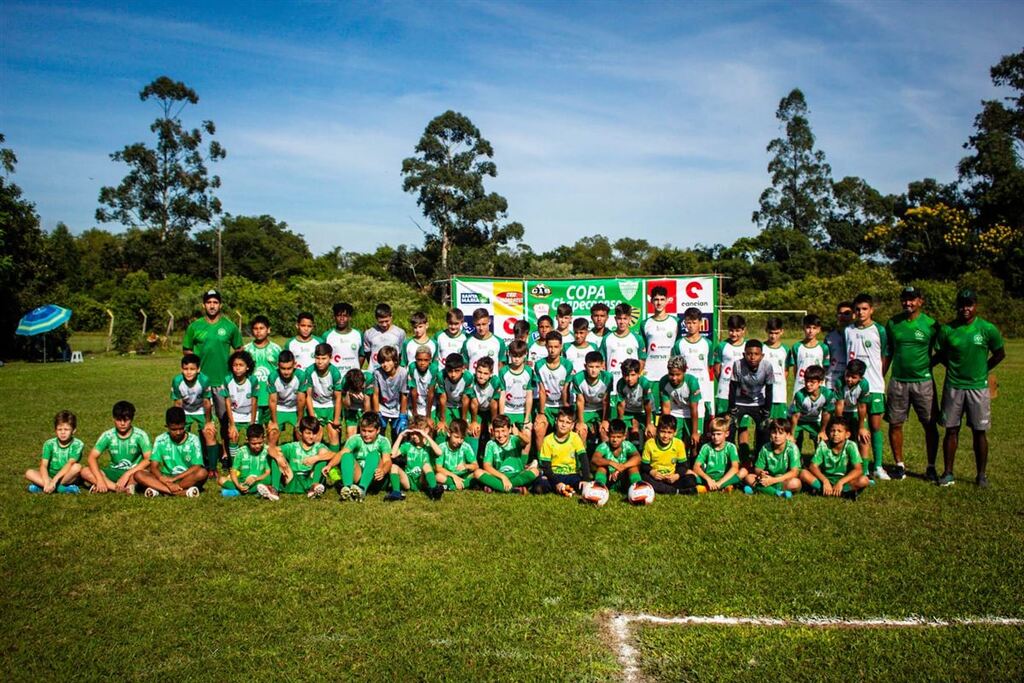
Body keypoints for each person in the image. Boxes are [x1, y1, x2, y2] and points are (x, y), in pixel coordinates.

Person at [933, 289, 1005, 488]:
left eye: (969, 304)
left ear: (976, 306)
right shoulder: (948, 329)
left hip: (978, 388)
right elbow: (940, 354)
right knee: (951, 430)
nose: (965, 308)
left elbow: (1000, 353)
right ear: (957, 306)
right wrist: (954, 369)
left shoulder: (987, 329)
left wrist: (983, 370)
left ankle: (981, 476)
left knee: (979, 431)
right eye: (962, 305)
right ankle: (948, 473)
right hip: (954, 386)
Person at [182, 288, 242, 471]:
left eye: (215, 302)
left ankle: (225, 454)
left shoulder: (230, 326)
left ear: (220, 305)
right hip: (201, 383)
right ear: (203, 305)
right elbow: (187, 349)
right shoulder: (195, 327)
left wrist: (233, 370)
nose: (212, 305)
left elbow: (239, 350)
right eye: (209, 302)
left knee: (224, 420)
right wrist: (194, 370)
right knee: (203, 421)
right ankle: (204, 455)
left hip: (223, 382)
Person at [884, 286, 940, 481]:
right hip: (898, 381)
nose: (908, 303)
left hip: (923, 382)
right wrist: (881, 376)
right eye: (905, 299)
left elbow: (941, 351)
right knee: (895, 423)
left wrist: (926, 365)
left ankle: (931, 467)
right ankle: (899, 465)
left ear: (920, 301)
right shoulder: (893, 323)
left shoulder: (932, 325)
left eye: (912, 299)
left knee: (929, 424)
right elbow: (888, 352)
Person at [134, 407, 208, 497]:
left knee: (202, 472)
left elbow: (197, 466)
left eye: (181, 428)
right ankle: (178, 492)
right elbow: (153, 466)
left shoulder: (193, 440)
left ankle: (161, 490)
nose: (178, 432)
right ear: (167, 426)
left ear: (185, 425)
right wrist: (163, 479)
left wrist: (175, 479)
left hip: (186, 477)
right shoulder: (160, 439)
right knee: (138, 474)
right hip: (165, 478)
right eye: (174, 429)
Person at [82, 400, 152, 494]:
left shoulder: (140, 435)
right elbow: (92, 457)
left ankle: (114, 486)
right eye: (119, 420)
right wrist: (99, 479)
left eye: (126, 420)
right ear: (113, 419)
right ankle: (117, 488)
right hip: (114, 471)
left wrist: (127, 474)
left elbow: (148, 459)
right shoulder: (108, 435)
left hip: (133, 473)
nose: (122, 423)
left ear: (131, 419)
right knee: (85, 471)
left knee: (143, 474)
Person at [326, 411, 392, 501]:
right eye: (363, 430)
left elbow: (387, 461)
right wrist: (330, 465)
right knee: (346, 455)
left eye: (370, 431)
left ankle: (362, 489)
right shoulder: (355, 439)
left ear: (378, 430)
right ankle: (348, 489)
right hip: (359, 475)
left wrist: (383, 471)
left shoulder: (383, 441)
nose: (366, 434)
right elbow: (341, 453)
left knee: (374, 454)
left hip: (376, 478)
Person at [800, 416, 870, 499]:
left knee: (864, 480)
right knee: (803, 473)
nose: (835, 434)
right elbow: (812, 466)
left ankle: (838, 491)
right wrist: (825, 481)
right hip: (825, 479)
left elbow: (858, 469)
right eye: (833, 430)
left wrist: (841, 482)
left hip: (845, 480)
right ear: (828, 432)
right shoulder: (823, 445)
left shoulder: (851, 446)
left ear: (847, 434)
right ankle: (836, 492)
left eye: (839, 431)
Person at [728, 340, 774, 464]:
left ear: (762, 355)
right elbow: (732, 387)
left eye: (756, 354)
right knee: (730, 429)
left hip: (758, 402)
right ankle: (732, 461)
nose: (752, 357)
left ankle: (760, 461)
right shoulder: (737, 364)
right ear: (744, 354)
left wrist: (767, 409)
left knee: (764, 431)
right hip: (740, 402)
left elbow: (769, 389)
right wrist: (731, 406)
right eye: (749, 354)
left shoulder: (767, 366)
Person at [170, 353, 219, 467]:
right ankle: (182, 463)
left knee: (209, 433)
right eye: (185, 369)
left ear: (198, 369)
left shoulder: (204, 380)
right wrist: (178, 421)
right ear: (181, 369)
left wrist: (208, 422)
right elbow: (178, 403)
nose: (189, 372)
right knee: (180, 435)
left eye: (192, 369)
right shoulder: (177, 381)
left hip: (201, 409)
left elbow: (207, 402)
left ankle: (211, 467)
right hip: (185, 410)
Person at [269, 416, 332, 497]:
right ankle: (274, 489)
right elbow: (270, 449)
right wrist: (278, 458)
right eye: (308, 433)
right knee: (276, 456)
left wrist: (316, 458)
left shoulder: (318, 446)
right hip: (292, 478)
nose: (311, 436)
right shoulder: (293, 446)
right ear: (301, 432)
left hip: (310, 478)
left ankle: (314, 486)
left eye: (314, 433)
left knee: (323, 456)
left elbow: (333, 454)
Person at [533, 331, 574, 454]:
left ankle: (567, 460)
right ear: (546, 346)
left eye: (556, 347)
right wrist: (541, 412)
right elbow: (541, 390)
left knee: (567, 429)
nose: (552, 350)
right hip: (547, 407)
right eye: (550, 346)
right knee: (539, 428)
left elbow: (566, 389)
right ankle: (542, 463)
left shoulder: (567, 365)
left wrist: (566, 410)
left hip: (562, 405)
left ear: (561, 347)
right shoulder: (539, 365)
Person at [25, 410, 84, 494]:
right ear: (55, 430)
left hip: (66, 477)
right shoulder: (49, 444)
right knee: (29, 473)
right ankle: (60, 489)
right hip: (49, 476)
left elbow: (70, 464)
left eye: (66, 429)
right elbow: (43, 465)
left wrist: (55, 480)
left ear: (73, 430)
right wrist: (46, 481)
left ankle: (45, 487)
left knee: (77, 467)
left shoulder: (78, 444)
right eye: (60, 429)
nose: (63, 432)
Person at [672, 307, 714, 422]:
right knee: (685, 419)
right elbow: (675, 368)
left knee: (704, 422)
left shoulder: (708, 343)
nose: (691, 326)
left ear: (700, 323)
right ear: (685, 323)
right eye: (688, 322)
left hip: (703, 387)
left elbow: (709, 366)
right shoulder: (679, 344)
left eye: (694, 322)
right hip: (685, 388)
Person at [386, 419, 444, 501]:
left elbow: (439, 452)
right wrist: (400, 436)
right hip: (408, 480)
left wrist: (426, 436)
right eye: (412, 433)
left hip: (423, 480)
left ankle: (434, 490)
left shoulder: (429, 445)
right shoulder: (408, 445)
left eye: (417, 433)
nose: (414, 436)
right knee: (394, 466)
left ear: (426, 431)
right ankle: (396, 493)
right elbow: (393, 455)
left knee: (426, 465)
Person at [477, 415, 537, 493]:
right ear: (493, 431)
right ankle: (515, 489)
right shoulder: (491, 444)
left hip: (517, 475)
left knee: (535, 471)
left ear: (509, 430)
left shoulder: (514, 439)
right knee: (477, 472)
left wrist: (518, 433)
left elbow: (527, 441)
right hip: (499, 476)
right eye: (497, 431)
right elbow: (486, 466)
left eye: (503, 431)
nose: (500, 435)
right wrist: (503, 477)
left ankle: (497, 487)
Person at [640, 414, 698, 495]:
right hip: (656, 478)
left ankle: (665, 489)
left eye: (669, 432)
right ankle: (676, 491)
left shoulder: (679, 443)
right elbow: (644, 465)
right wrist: (652, 472)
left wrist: (677, 475)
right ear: (657, 431)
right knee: (643, 478)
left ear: (675, 432)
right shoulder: (650, 443)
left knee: (691, 479)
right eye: (662, 431)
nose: (665, 436)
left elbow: (684, 465)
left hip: (671, 478)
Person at [743, 419, 803, 497]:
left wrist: (773, 480)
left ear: (788, 435)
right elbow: (757, 468)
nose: (777, 436)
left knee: (796, 483)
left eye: (781, 433)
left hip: (783, 479)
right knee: (748, 477)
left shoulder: (792, 448)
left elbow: (794, 472)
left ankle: (758, 489)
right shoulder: (765, 448)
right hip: (767, 478)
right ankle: (778, 493)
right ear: (770, 433)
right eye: (774, 432)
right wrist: (761, 473)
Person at [219, 424, 279, 501]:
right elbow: (233, 471)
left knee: (270, 479)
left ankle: (237, 492)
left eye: (260, 443)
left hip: (260, 480)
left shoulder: (267, 451)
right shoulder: (241, 452)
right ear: (247, 440)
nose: (257, 446)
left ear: (264, 438)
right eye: (254, 444)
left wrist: (255, 479)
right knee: (221, 480)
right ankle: (250, 491)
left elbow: (267, 472)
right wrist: (238, 485)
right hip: (244, 482)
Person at [539, 408, 589, 497]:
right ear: (556, 421)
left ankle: (565, 489)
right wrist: (557, 482)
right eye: (561, 421)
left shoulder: (575, 438)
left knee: (584, 487)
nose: (563, 425)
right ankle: (561, 488)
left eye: (567, 422)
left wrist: (585, 479)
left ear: (572, 425)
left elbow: (584, 459)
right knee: (540, 487)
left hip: (571, 475)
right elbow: (546, 467)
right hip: (554, 474)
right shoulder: (548, 440)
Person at [304, 343, 344, 452]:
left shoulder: (335, 372)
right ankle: (317, 462)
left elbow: (338, 397)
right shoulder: (309, 371)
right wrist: (312, 415)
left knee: (333, 434)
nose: (320, 361)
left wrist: (336, 419)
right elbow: (308, 395)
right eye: (317, 358)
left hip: (331, 405)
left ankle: (334, 464)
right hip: (316, 405)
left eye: (324, 358)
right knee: (316, 435)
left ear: (330, 358)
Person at [243, 315, 282, 426]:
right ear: (252, 331)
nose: (258, 331)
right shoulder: (246, 349)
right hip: (253, 396)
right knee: (255, 430)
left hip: (271, 396)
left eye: (262, 328)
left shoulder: (276, 349)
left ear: (268, 330)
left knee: (272, 428)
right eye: (256, 329)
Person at [659, 354, 702, 453]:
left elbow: (694, 409)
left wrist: (694, 432)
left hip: (693, 411)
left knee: (694, 442)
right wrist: (667, 428)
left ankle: (693, 463)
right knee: (673, 442)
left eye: (678, 374)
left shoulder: (692, 382)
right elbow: (666, 408)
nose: (674, 378)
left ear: (684, 372)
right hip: (675, 411)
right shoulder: (664, 381)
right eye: (671, 374)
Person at [788, 365, 835, 455]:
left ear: (820, 382)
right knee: (790, 443)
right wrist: (791, 434)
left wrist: (822, 431)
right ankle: (796, 462)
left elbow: (826, 413)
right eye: (806, 381)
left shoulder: (827, 394)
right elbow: (795, 415)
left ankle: (819, 464)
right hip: (799, 421)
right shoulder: (800, 395)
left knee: (822, 442)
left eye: (812, 382)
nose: (808, 384)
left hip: (814, 420)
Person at [692, 416, 746, 493]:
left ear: (726, 434)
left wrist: (719, 483)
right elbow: (696, 467)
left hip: (725, 478)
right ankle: (724, 487)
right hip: (709, 478)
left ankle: (712, 487)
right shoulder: (706, 447)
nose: (715, 437)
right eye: (713, 434)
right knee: (690, 473)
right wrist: (708, 480)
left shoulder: (731, 447)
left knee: (743, 472)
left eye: (719, 434)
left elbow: (735, 468)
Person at [221, 350, 258, 461]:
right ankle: (235, 464)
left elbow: (254, 402)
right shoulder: (227, 380)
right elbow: (227, 402)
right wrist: (231, 424)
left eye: (241, 365)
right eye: (235, 365)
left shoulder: (253, 380)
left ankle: (252, 461)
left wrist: (252, 423)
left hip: (250, 414)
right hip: (235, 414)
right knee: (233, 436)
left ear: (247, 367)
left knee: (254, 438)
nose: (237, 368)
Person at [571, 351, 613, 447]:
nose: (593, 370)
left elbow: (606, 401)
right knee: (581, 432)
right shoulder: (578, 378)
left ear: (602, 366)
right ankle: (582, 460)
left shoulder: (608, 377)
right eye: (591, 367)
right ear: (585, 366)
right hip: (586, 408)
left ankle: (605, 459)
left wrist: (605, 420)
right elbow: (580, 401)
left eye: (597, 367)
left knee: (605, 431)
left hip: (601, 409)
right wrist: (581, 422)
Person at [599, 302, 646, 387]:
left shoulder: (637, 338)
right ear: (615, 319)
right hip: (611, 384)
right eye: (619, 318)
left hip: (631, 386)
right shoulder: (607, 338)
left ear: (630, 319)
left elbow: (642, 361)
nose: (622, 322)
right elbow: (602, 362)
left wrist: (634, 378)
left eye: (625, 318)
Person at [834, 359, 872, 461]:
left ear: (861, 378)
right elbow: (839, 405)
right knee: (840, 437)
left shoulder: (864, 384)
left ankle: (864, 470)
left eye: (853, 377)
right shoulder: (839, 381)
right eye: (848, 375)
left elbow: (862, 407)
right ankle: (842, 464)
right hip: (843, 412)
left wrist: (861, 427)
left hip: (856, 411)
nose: (849, 379)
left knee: (864, 438)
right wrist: (839, 424)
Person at [590, 418, 642, 493]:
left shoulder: (627, 445)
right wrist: (611, 463)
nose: (615, 440)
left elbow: (638, 458)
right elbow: (594, 459)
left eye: (618, 437)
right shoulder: (604, 446)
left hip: (624, 480)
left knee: (633, 467)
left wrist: (622, 467)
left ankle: (638, 489)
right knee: (602, 467)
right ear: (608, 435)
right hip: (608, 480)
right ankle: (599, 489)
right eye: (612, 436)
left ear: (624, 436)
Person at [266, 349, 305, 447]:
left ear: (295, 365)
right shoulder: (273, 377)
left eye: (289, 368)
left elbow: (301, 400)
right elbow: (272, 400)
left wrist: (300, 420)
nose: (286, 372)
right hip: (279, 408)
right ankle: (273, 460)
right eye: (283, 368)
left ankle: (298, 459)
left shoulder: (301, 375)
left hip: (295, 408)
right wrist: (274, 422)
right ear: (278, 365)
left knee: (301, 433)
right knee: (272, 434)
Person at [712, 315, 747, 421]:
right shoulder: (722, 346)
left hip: (743, 392)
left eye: (737, 330)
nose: (734, 334)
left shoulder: (748, 346)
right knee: (723, 422)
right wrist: (724, 381)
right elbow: (717, 369)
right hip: (724, 391)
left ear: (743, 330)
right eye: (731, 330)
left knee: (743, 426)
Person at [497, 340, 535, 435]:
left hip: (522, 411)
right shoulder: (503, 371)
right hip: (507, 411)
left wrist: (527, 418)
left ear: (525, 354)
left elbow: (529, 396)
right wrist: (502, 417)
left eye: (519, 356)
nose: (516, 359)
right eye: (514, 356)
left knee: (527, 435)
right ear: (509, 354)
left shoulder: (529, 371)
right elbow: (502, 395)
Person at [787, 314, 829, 401]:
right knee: (799, 410)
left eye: (814, 328)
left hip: (818, 385)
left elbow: (825, 367)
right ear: (803, 328)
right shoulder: (797, 347)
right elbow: (796, 367)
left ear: (819, 330)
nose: (811, 331)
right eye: (808, 327)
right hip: (801, 383)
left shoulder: (823, 347)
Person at [641, 285, 678, 384]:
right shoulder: (645, 323)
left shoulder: (676, 322)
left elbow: (678, 347)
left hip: (670, 372)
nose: (659, 302)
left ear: (667, 301)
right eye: (656, 299)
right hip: (650, 373)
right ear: (652, 301)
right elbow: (643, 349)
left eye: (662, 299)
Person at [614, 358, 655, 447]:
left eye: (633, 375)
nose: (629, 379)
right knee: (620, 434)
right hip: (628, 411)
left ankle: (646, 456)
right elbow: (621, 405)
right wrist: (620, 424)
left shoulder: (644, 383)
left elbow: (647, 404)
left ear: (639, 374)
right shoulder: (620, 384)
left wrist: (649, 424)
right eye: (626, 375)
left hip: (643, 411)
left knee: (650, 433)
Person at [465, 355, 500, 455]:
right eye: (479, 372)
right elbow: (473, 402)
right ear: (475, 370)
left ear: (491, 374)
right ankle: (473, 460)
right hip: (475, 410)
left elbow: (494, 405)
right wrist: (474, 421)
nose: (481, 376)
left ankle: (492, 461)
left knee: (493, 433)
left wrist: (493, 423)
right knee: (474, 431)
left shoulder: (495, 382)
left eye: (485, 373)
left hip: (490, 410)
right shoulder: (471, 380)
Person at [431, 418, 478, 491]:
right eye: (456, 437)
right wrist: (454, 477)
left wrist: (466, 466)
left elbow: (475, 466)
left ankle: (451, 487)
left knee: (477, 474)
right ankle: (465, 485)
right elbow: (438, 468)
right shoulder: (442, 447)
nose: (459, 441)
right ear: (449, 433)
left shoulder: (466, 447)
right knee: (438, 476)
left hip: (463, 476)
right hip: (449, 475)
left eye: (462, 438)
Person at [372, 345, 409, 437]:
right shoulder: (377, 373)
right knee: (379, 435)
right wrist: (377, 413)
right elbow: (375, 394)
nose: (385, 364)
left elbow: (404, 395)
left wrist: (402, 415)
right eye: (382, 362)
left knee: (397, 434)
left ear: (395, 361)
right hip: (382, 408)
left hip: (397, 407)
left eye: (388, 361)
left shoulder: (403, 373)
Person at [364, 303, 406, 373]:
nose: (384, 324)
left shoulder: (400, 332)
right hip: (375, 371)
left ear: (391, 317)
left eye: (387, 321)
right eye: (381, 322)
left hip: (393, 373)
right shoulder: (368, 333)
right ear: (376, 319)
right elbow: (368, 353)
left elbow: (401, 354)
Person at [461, 308, 506, 373]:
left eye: (484, 324)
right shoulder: (467, 343)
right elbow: (465, 366)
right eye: (478, 325)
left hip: (493, 382)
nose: (481, 328)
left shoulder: (499, 342)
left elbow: (501, 366)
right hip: (474, 382)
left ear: (489, 321)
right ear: (474, 323)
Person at [324, 302, 363, 374]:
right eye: (339, 315)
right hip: (335, 378)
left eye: (345, 316)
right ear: (334, 317)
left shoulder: (358, 334)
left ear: (350, 317)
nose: (342, 318)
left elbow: (361, 355)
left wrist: (356, 370)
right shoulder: (327, 335)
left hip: (353, 378)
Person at [435, 353, 469, 434]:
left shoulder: (468, 377)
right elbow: (443, 398)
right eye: (450, 371)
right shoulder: (441, 376)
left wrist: (464, 420)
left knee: (467, 432)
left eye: (457, 371)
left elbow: (465, 399)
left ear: (463, 368)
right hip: (447, 405)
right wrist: (442, 420)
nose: (453, 375)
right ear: (446, 368)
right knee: (441, 431)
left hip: (461, 405)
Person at [763, 317, 789, 421]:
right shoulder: (761, 348)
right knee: (763, 424)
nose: (773, 336)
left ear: (782, 331)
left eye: (776, 333)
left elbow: (786, 371)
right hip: (763, 393)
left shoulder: (785, 349)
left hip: (780, 394)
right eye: (771, 333)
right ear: (766, 331)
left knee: (779, 424)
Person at [824, 301, 854, 389]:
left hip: (851, 380)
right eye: (840, 314)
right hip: (832, 380)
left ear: (854, 315)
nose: (843, 316)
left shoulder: (857, 334)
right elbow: (825, 360)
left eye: (847, 313)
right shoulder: (829, 337)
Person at [407, 346, 438, 421]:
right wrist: (415, 412)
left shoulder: (433, 369)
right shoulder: (412, 367)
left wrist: (428, 415)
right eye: (419, 360)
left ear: (430, 360)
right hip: (415, 402)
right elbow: (413, 391)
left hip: (429, 403)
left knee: (430, 425)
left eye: (426, 360)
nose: (422, 363)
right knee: (412, 424)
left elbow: (431, 393)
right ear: (415, 358)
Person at [340, 368, 373, 438]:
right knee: (350, 434)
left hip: (366, 406)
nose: (362, 387)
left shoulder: (369, 378)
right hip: (351, 408)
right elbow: (346, 406)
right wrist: (349, 394)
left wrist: (367, 419)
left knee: (366, 433)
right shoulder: (345, 382)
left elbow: (367, 403)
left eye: (362, 386)